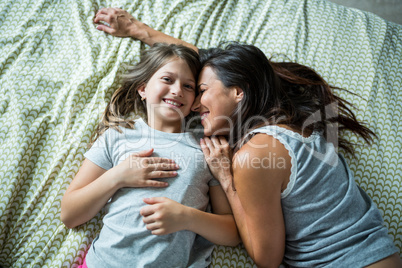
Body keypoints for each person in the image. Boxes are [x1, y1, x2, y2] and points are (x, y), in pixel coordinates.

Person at [93, 7, 402, 268]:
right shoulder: (290, 121)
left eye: (198, 91)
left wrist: (226, 178)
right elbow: (218, 66)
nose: (194, 103)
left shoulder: (254, 155)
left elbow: (267, 258)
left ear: (238, 92)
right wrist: (140, 30)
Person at [61, 43, 239, 268]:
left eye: (188, 86)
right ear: (143, 88)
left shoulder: (206, 150)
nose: (177, 90)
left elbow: (232, 233)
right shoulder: (116, 136)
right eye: (167, 80)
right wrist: (118, 176)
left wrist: (187, 217)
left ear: (195, 100)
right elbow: (69, 214)